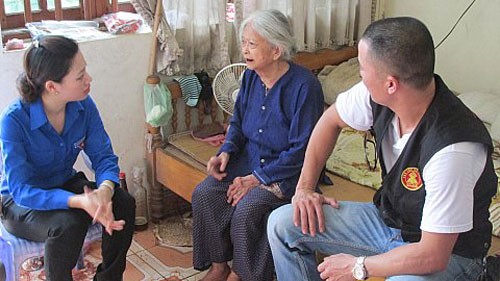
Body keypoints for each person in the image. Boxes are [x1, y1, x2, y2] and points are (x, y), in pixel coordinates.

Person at [267, 16, 497, 281]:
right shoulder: (375, 95)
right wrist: (305, 188)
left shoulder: (453, 149)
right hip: (389, 221)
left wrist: (358, 266)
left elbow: (433, 254)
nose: (360, 75)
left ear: (391, 84)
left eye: (363, 69)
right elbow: (329, 121)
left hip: (451, 254)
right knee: (283, 224)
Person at [191, 9, 324, 281]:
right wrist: (226, 152)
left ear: (276, 50)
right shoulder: (250, 76)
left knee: (248, 209)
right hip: (248, 160)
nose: (245, 50)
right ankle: (219, 267)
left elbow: (302, 150)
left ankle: (244, 274)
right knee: (205, 192)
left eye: (252, 44)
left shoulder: (305, 86)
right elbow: (237, 123)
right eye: (244, 43)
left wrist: (256, 179)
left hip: (288, 171)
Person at [0, 35, 135, 281]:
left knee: (123, 201)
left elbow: (103, 156)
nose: (89, 79)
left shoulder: (83, 105)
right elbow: (21, 191)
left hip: (63, 183)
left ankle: (109, 278)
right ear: (52, 86)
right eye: (80, 76)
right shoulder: (14, 120)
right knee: (69, 223)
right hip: (20, 204)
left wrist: (104, 190)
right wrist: (78, 201)